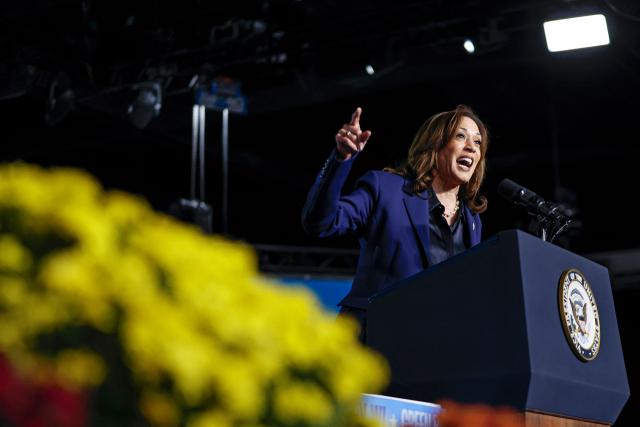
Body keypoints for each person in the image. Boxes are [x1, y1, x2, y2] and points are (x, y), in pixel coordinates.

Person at [301, 104, 489, 342]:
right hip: (374, 339)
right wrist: (341, 159)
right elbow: (321, 222)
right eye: (460, 136)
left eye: (478, 142)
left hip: (436, 349)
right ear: (435, 145)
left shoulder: (472, 222)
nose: (471, 148)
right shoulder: (385, 188)